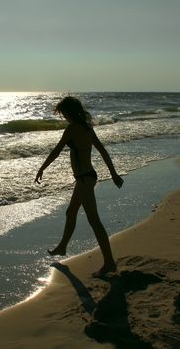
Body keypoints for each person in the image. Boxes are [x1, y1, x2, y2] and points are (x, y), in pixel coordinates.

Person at [34, 96, 124, 277]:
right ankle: (62, 247)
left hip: (84, 180)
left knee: (94, 221)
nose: (64, 116)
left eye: (64, 112)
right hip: (86, 178)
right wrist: (113, 174)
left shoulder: (73, 129)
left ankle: (109, 263)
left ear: (70, 112)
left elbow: (57, 150)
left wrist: (42, 168)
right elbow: (103, 151)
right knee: (71, 212)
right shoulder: (86, 128)